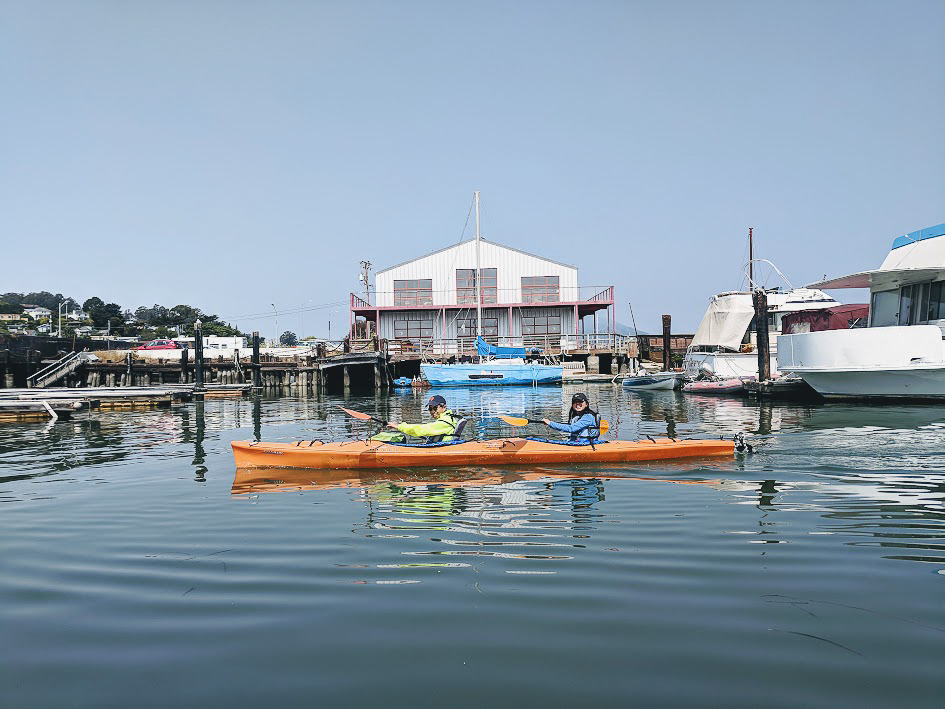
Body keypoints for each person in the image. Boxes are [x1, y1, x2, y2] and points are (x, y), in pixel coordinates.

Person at [372, 394, 462, 443]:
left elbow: (421, 429)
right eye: (430, 408)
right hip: (440, 445)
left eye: (435, 408)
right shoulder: (449, 418)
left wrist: (398, 426)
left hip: (442, 449)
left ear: (444, 407)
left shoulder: (445, 422)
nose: (432, 411)